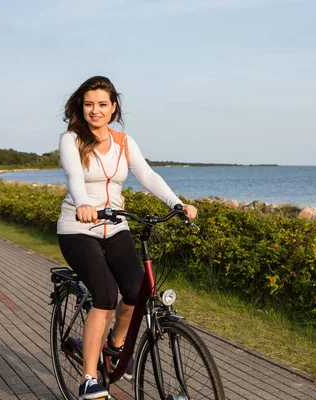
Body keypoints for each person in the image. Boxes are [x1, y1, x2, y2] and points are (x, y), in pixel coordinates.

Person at [56, 76, 197, 400]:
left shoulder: (123, 141)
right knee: (105, 297)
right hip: (79, 228)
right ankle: (89, 378)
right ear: (82, 106)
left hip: (116, 225)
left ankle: (117, 345)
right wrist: (83, 205)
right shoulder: (71, 139)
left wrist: (176, 203)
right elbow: (75, 176)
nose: (95, 110)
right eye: (89, 104)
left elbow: (147, 174)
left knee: (137, 291)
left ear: (113, 107)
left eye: (102, 104)